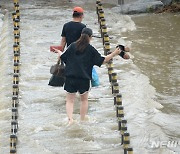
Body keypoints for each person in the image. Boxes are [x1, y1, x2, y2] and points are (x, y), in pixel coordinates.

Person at [53, 28, 122, 125]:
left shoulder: (72, 46)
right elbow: (103, 60)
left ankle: (70, 119)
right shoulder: (91, 49)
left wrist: (59, 52)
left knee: (70, 100)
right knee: (84, 100)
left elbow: (64, 57)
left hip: (70, 78)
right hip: (84, 79)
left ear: (81, 35)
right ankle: (82, 119)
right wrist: (114, 53)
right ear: (90, 38)